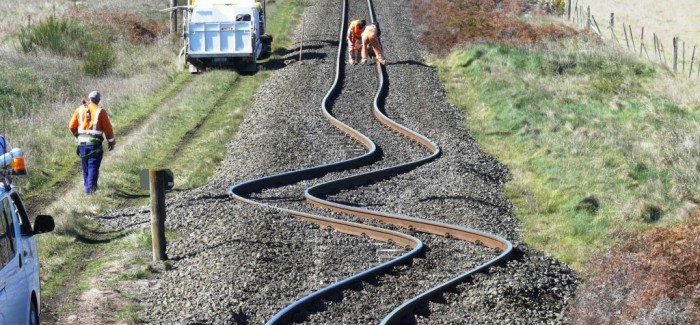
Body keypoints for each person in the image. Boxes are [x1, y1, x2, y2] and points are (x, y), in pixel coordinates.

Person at [68, 91, 115, 194]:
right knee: (93, 167)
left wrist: (77, 135)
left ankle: (87, 188)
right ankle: (90, 192)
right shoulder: (100, 111)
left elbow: (71, 126)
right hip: (94, 145)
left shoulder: (79, 110)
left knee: (85, 167)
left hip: (82, 145)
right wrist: (111, 142)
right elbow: (108, 129)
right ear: (98, 100)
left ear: (89, 98)